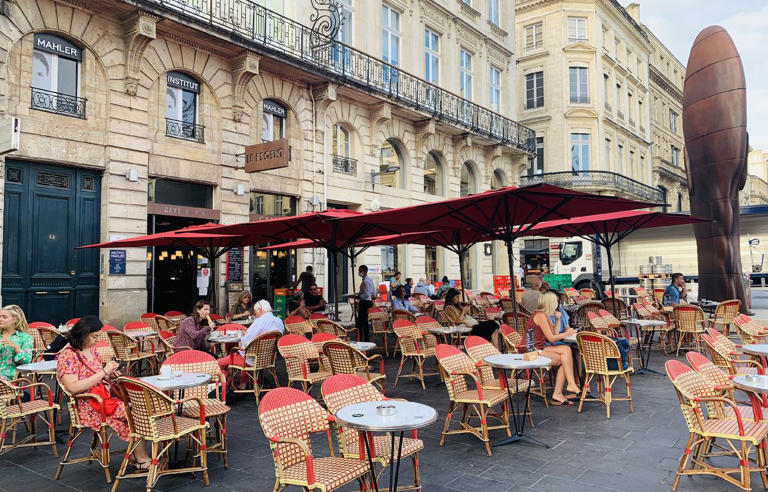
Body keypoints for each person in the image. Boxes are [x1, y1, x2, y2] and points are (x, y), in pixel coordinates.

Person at [57, 316, 151, 469]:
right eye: (94, 336)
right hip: (89, 405)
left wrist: (110, 374)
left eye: (99, 336)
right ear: (82, 334)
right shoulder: (68, 355)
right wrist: (103, 372)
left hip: (104, 398)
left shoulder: (92, 350)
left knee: (142, 407)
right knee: (136, 412)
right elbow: (73, 388)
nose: (97, 340)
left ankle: (137, 455)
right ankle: (140, 457)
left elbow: (96, 373)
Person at [528, 291, 580, 406]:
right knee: (564, 357)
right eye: (555, 303)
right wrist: (568, 333)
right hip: (531, 350)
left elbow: (554, 333)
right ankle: (563, 389)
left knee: (566, 351)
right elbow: (552, 338)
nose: (556, 305)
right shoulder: (540, 316)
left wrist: (557, 320)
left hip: (540, 347)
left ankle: (566, 387)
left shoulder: (544, 315)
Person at [217, 300, 284, 379]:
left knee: (219, 363)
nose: (255, 314)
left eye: (255, 311)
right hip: (268, 358)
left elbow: (245, 342)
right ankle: (243, 384)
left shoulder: (259, 321)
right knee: (246, 352)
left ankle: (226, 385)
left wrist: (244, 335)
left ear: (260, 309)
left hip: (251, 359)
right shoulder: (279, 321)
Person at [0, 304, 32, 381]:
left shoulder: (25, 338)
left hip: (8, 378)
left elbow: (26, 362)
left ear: (14, 320)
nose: (0, 319)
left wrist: (16, 348)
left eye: (4, 317)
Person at [356, 265, 375, 342]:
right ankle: (364, 338)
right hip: (368, 301)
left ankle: (361, 338)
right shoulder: (370, 280)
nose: (359, 272)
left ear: (365, 271)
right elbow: (372, 292)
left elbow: (366, 294)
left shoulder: (366, 281)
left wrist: (359, 295)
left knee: (361, 322)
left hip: (364, 302)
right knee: (364, 322)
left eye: (360, 271)